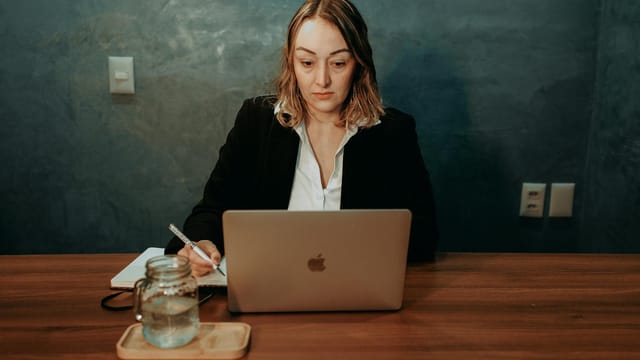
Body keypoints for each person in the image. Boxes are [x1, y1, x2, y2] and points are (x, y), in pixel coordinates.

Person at [166, 0, 438, 277]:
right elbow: (211, 210)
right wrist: (201, 242)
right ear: (291, 63)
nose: (322, 80)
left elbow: (424, 235)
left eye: (338, 63)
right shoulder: (256, 121)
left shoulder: (393, 132)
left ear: (359, 64)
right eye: (307, 62)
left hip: (357, 293)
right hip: (268, 288)